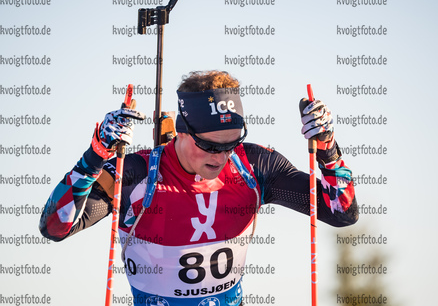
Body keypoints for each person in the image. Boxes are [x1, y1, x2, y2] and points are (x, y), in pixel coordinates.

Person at [39, 70, 358, 306]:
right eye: (208, 145)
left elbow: (342, 213)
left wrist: (328, 149)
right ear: (181, 131)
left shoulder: (254, 165)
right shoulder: (137, 172)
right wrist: (97, 155)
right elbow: (55, 227)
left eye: (232, 144)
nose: (220, 157)